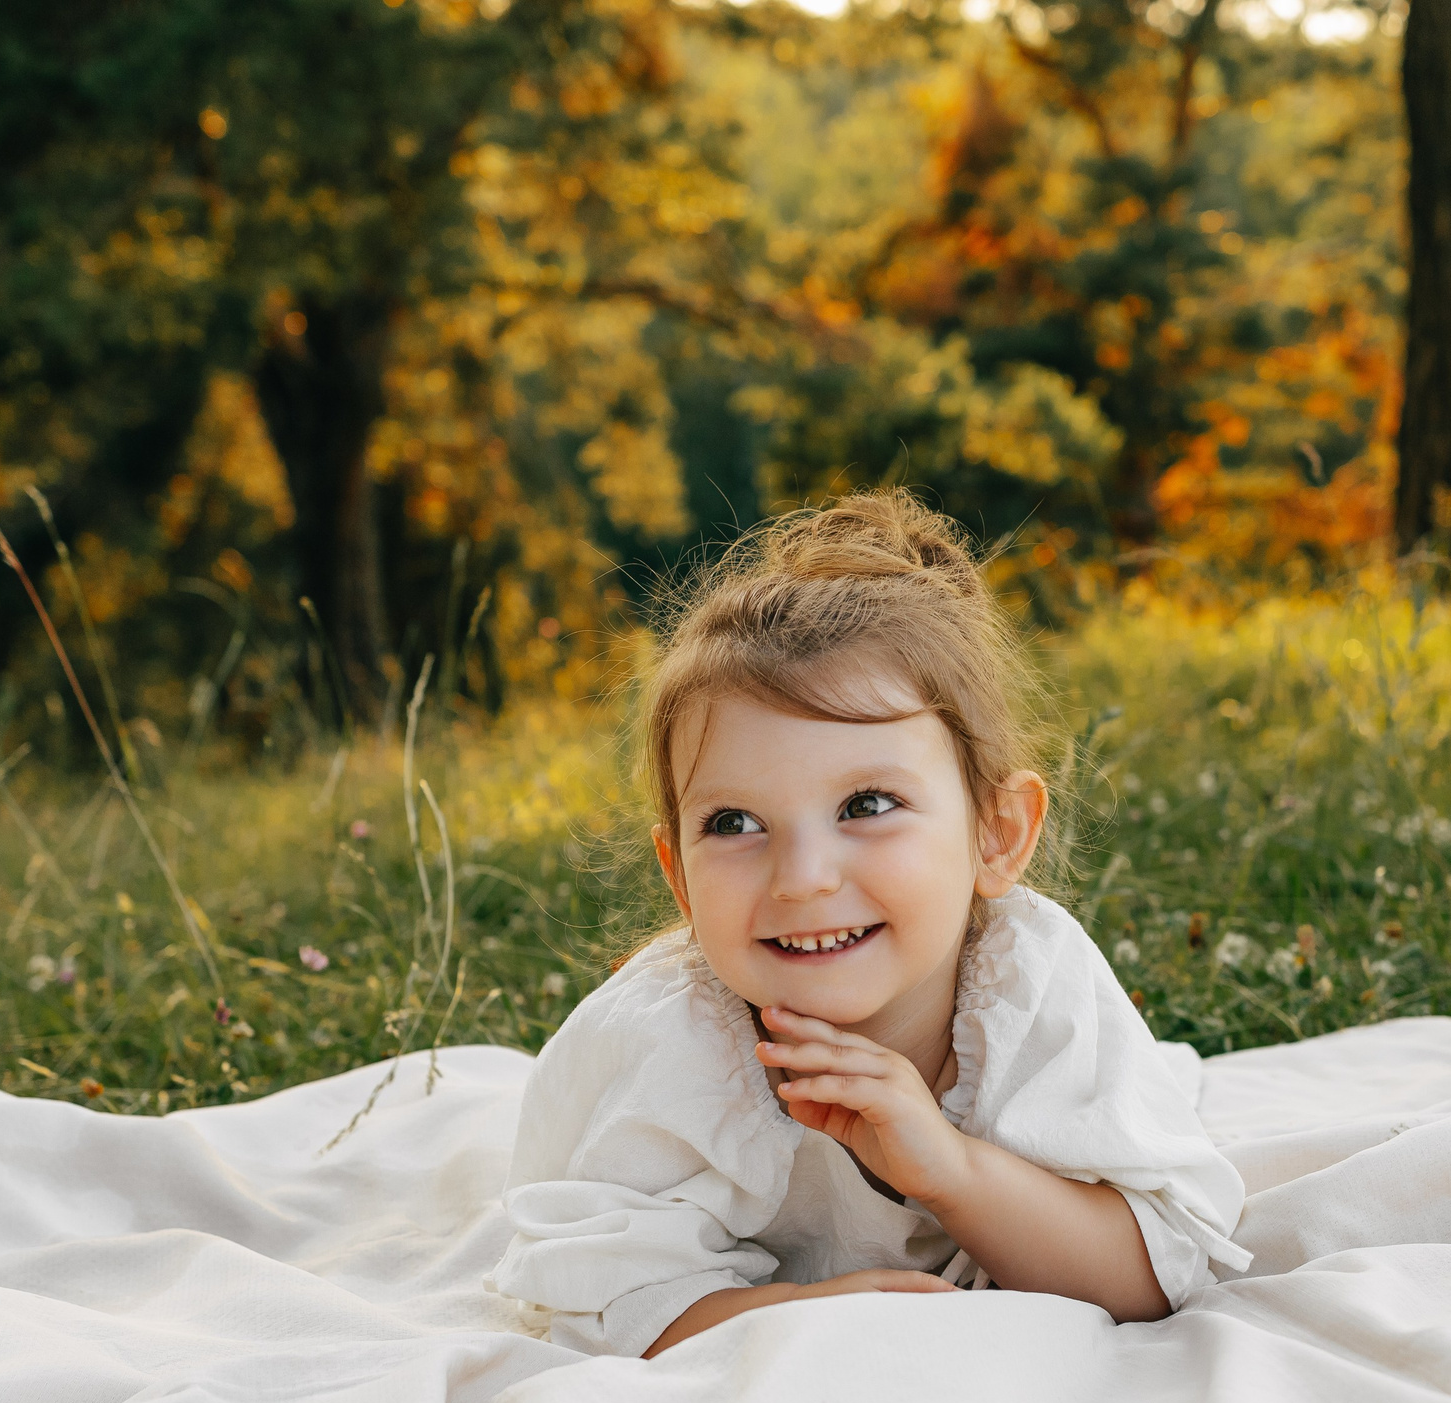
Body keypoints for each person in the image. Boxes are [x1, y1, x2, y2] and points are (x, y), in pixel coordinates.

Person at [490, 491, 1248, 1357]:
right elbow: (600, 1296)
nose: (804, 879)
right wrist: (792, 1316)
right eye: (733, 824)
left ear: (996, 836)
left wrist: (951, 1172)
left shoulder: (1029, 987)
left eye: (868, 804)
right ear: (681, 881)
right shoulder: (668, 1049)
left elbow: (1155, 1275)